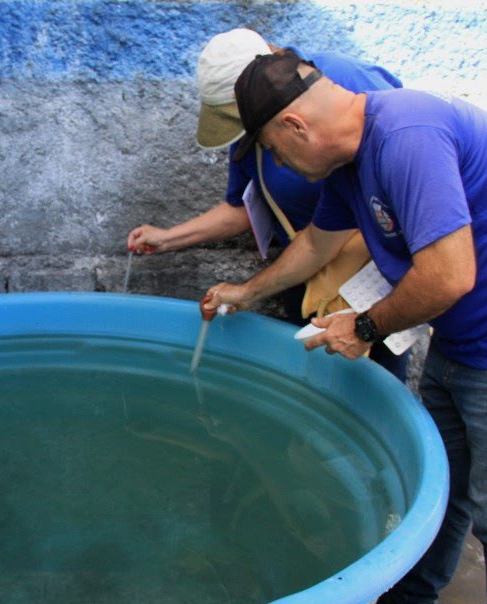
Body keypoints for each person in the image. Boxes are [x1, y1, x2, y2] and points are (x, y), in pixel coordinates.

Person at [202, 50, 487, 604]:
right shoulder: (350, 164)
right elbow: (316, 244)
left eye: (273, 151)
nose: (276, 165)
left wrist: (363, 327)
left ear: (296, 128)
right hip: (466, 338)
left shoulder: (408, 134)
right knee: (443, 485)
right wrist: (245, 293)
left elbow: (450, 273)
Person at [126, 28, 408, 380]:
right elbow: (250, 208)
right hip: (303, 273)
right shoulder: (251, 134)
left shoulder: (350, 84)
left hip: (371, 280)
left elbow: (400, 162)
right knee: (310, 384)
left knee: (376, 389)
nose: (277, 160)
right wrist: (168, 237)